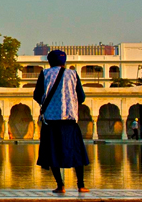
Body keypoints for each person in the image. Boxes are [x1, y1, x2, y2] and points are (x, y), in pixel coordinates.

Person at [34, 49, 89, 194]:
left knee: (53, 153)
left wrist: (47, 104)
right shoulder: (73, 74)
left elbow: (37, 95)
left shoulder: (45, 74)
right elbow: (82, 97)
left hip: (51, 121)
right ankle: (81, 185)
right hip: (69, 120)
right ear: (64, 61)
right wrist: (71, 103)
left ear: (49, 61)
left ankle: (60, 186)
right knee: (76, 152)